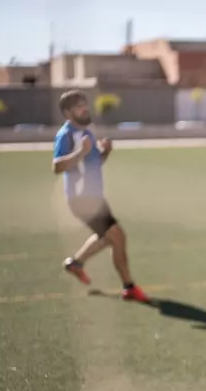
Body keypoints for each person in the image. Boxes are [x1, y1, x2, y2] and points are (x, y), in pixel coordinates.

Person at [52, 90, 148, 302]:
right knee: (118, 237)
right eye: (79, 106)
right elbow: (57, 167)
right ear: (68, 113)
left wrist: (105, 152)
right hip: (83, 201)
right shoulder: (66, 134)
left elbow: (92, 164)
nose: (85, 108)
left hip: (95, 199)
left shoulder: (87, 132)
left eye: (85, 104)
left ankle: (76, 263)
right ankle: (129, 287)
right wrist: (80, 153)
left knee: (110, 238)